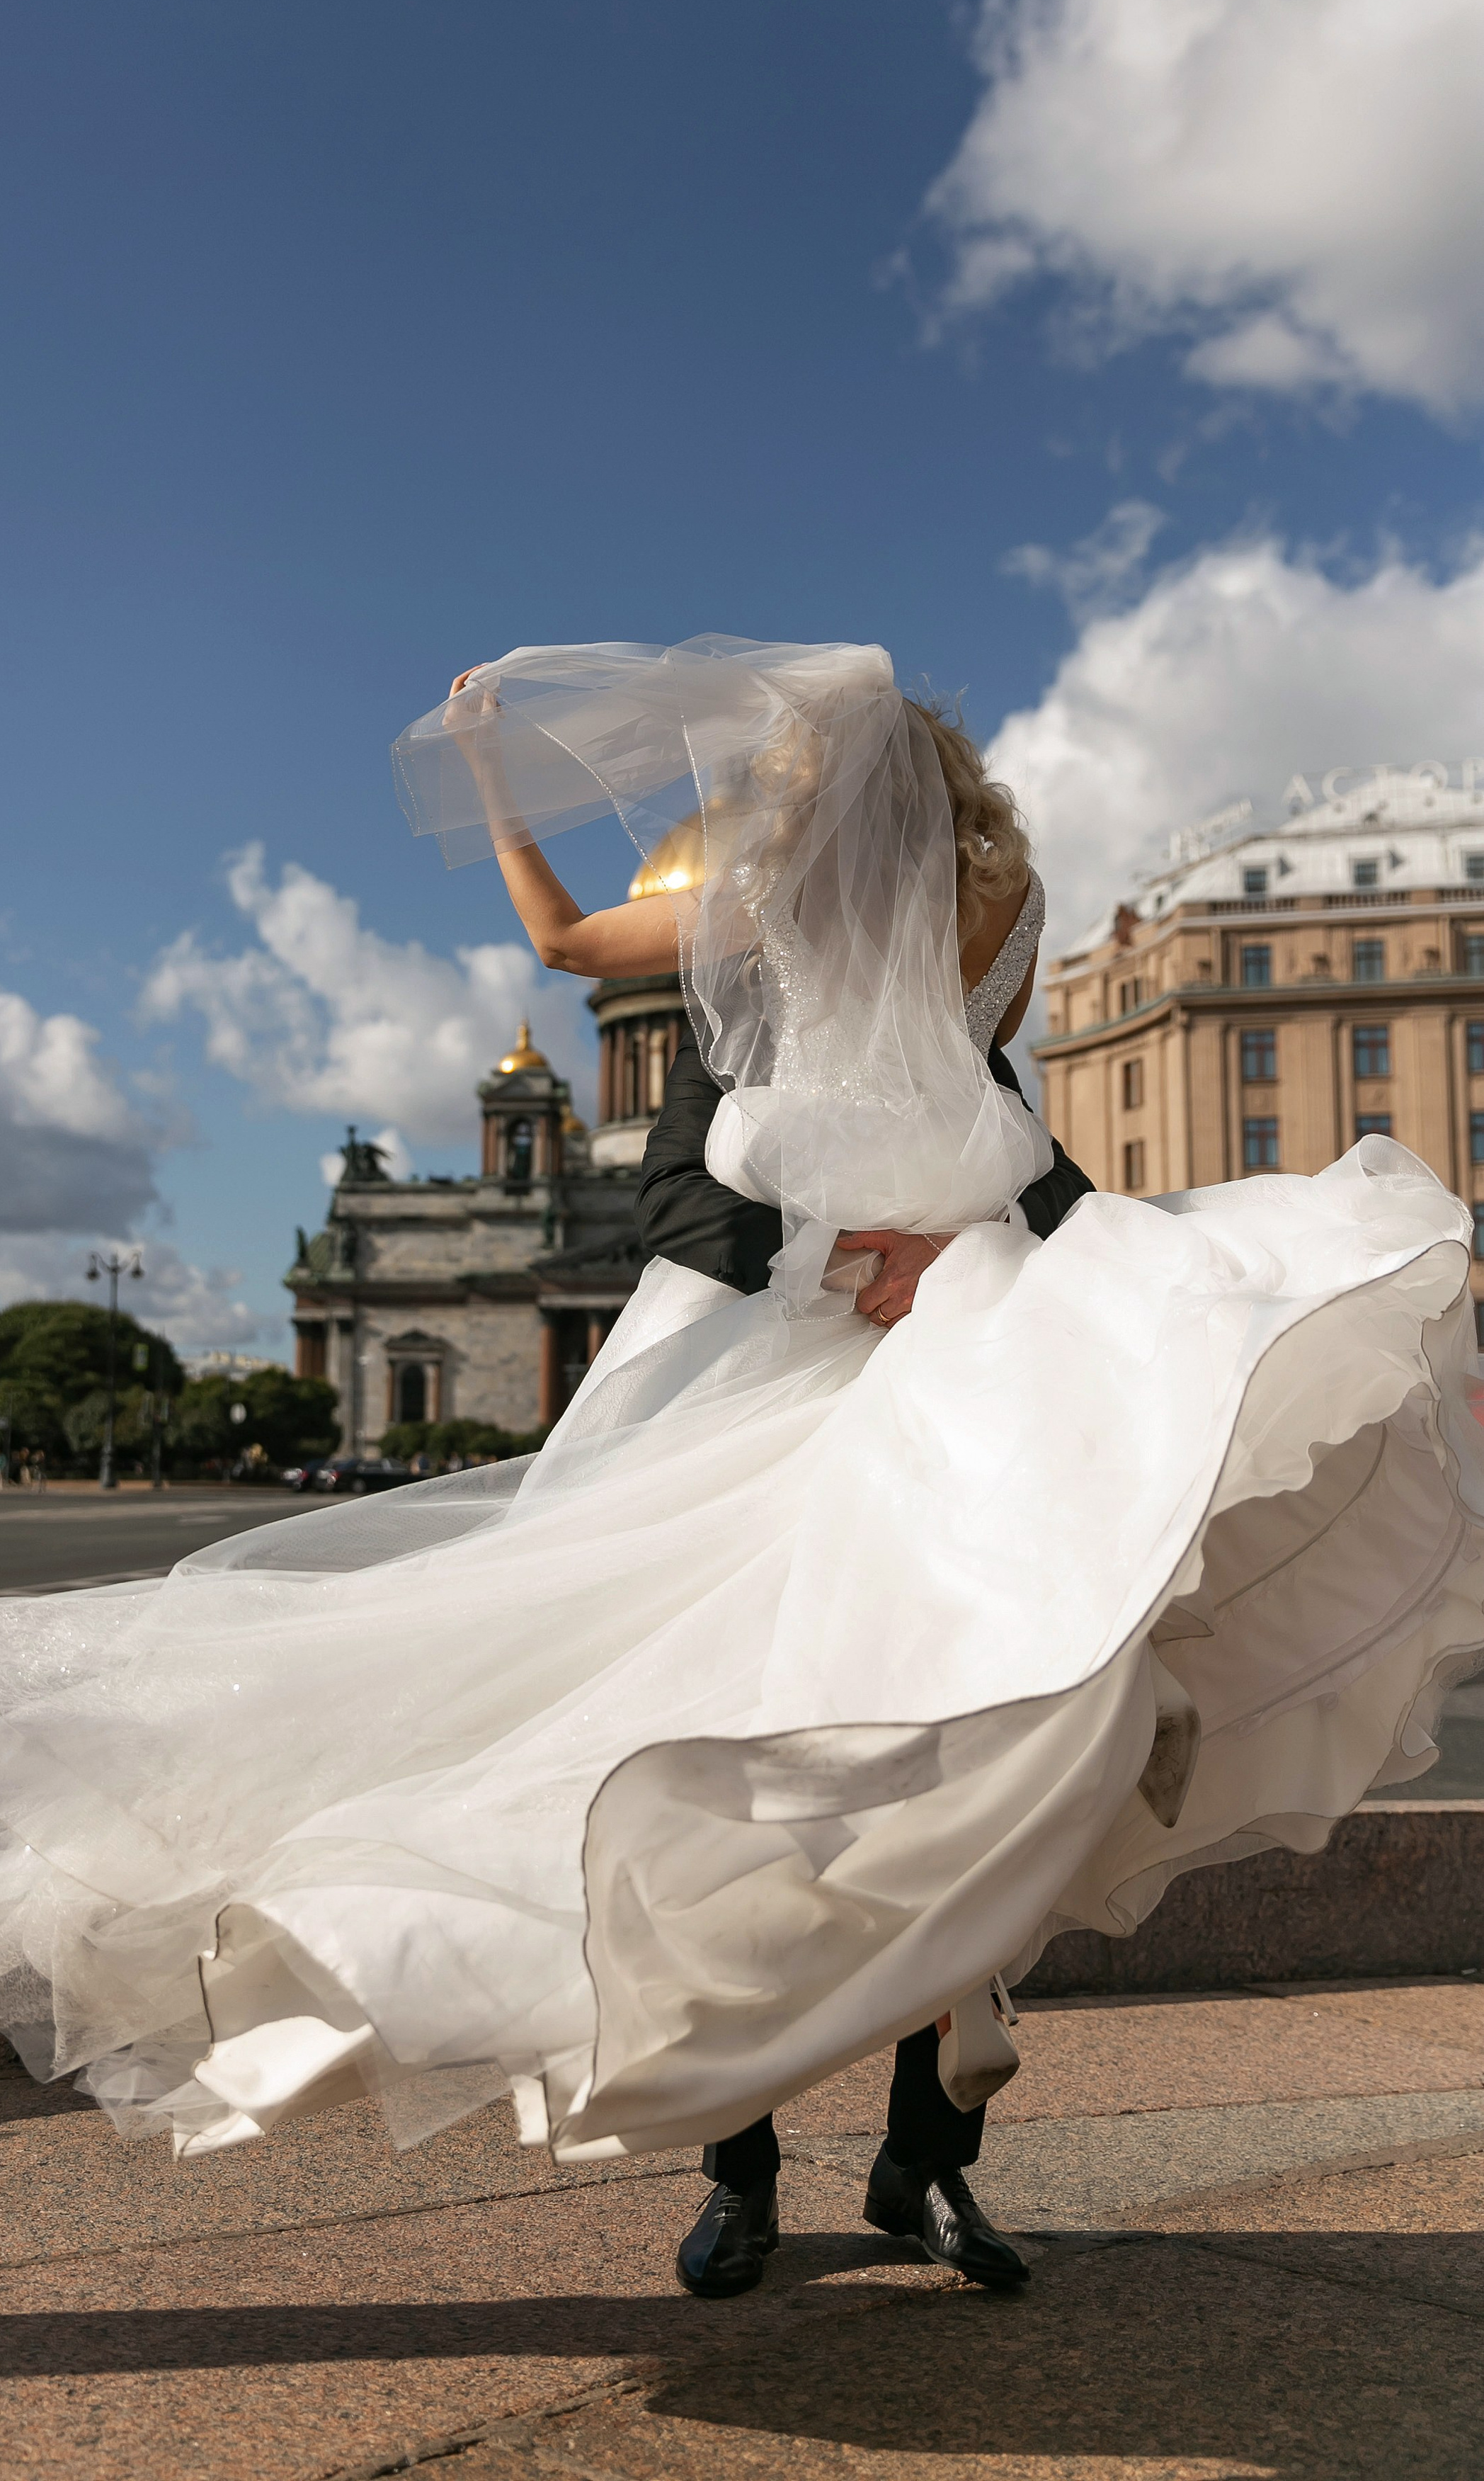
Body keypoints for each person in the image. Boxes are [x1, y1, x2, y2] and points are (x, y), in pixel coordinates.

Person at [0, 640, 1484, 2226]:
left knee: (778, 1714)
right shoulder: (1009, 896)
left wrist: (487, 772)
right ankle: (804, 2152)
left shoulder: (763, 897)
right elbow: (991, 1108)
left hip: (821, 1334)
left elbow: (573, 953)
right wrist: (979, 1258)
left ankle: (866, 2139)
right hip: (940, 1315)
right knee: (969, 1698)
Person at [634, 978, 1092, 2295]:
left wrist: (966, 1257)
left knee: (964, 1799)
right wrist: (857, 1251)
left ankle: (928, 2165)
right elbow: (675, 1203)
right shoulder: (741, 1029)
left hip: (950, 1467)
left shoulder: (970, 1050)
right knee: (750, 1804)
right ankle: (744, 2175)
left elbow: (1066, 1216)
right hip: (773, 1460)